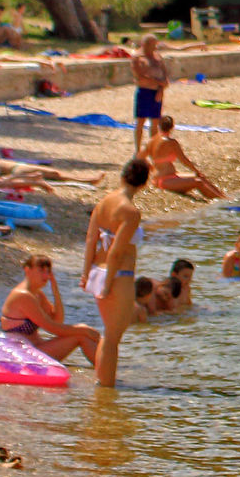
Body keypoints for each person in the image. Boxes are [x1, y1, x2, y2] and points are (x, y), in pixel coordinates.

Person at [82, 157, 149, 387]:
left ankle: (101, 384)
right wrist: (108, 284)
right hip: (117, 277)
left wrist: (85, 274)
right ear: (144, 184)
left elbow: (91, 240)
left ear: (122, 176)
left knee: (108, 335)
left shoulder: (103, 203)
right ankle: (106, 392)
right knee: (112, 338)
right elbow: (116, 253)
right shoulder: (130, 212)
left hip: (97, 270)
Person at [0, 256, 100, 365]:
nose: (46, 276)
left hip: (35, 347)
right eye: (41, 271)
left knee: (84, 334)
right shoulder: (23, 295)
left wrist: (55, 289)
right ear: (27, 270)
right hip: (23, 353)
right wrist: (83, 329)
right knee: (82, 336)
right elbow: (51, 327)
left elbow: (57, 321)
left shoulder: (37, 294)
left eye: (48, 271)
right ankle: (105, 373)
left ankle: (105, 369)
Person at [146, 116, 223, 201]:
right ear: (172, 127)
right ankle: (221, 200)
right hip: (163, 181)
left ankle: (223, 197)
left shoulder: (152, 140)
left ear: (159, 126)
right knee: (198, 181)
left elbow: (144, 158)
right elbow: (184, 160)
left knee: (201, 178)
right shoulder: (171, 142)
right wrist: (196, 171)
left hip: (167, 177)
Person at [127, 33, 170, 154]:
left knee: (155, 122)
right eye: (152, 45)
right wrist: (158, 83)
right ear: (145, 44)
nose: (155, 47)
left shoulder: (158, 58)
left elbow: (164, 75)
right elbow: (140, 77)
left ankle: (153, 148)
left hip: (157, 92)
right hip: (145, 92)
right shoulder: (138, 58)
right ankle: (138, 149)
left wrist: (161, 89)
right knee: (141, 121)